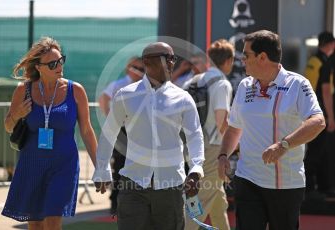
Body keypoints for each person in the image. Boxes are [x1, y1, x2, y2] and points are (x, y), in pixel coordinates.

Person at [218, 30, 326, 230]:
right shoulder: (244, 85)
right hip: (247, 179)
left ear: (262, 57)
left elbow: (318, 121)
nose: (242, 59)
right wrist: (223, 155)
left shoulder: (297, 84)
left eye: (246, 54)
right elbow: (234, 128)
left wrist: (284, 145)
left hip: (286, 184)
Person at [92, 42, 205, 230]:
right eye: (166, 57)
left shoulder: (183, 98)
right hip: (133, 184)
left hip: (171, 185)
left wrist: (196, 169)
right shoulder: (125, 95)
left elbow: (195, 136)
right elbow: (108, 133)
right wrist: (102, 169)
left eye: (173, 58)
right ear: (147, 62)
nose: (171, 63)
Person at [2, 37, 97, 230]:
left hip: (64, 164)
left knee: (53, 220)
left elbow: (86, 130)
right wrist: (17, 114)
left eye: (61, 60)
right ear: (38, 67)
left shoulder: (75, 90)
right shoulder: (23, 90)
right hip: (32, 163)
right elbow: (8, 127)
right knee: (35, 223)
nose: (59, 66)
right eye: (52, 63)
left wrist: (101, 168)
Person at [184, 39, 233, 230]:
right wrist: (233, 146)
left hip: (189, 146)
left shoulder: (192, 81)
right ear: (228, 60)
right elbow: (223, 122)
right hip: (212, 148)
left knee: (218, 201)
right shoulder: (221, 83)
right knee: (201, 201)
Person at [98, 56, 144, 214]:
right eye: (135, 67)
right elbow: (103, 98)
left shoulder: (145, 85)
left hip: (138, 131)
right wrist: (111, 119)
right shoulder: (119, 84)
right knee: (119, 166)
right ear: (128, 68)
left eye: (142, 68)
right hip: (123, 130)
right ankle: (115, 203)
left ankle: (135, 203)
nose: (138, 71)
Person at [304, 31, 335, 196]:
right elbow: (324, 90)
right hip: (320, 111)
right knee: (316, 150)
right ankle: (309, 187)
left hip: (311, 109)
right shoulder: (324, 62)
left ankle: (319, 185)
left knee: (319, 149)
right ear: (331, 44)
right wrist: (330, 116)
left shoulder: (313, 60)